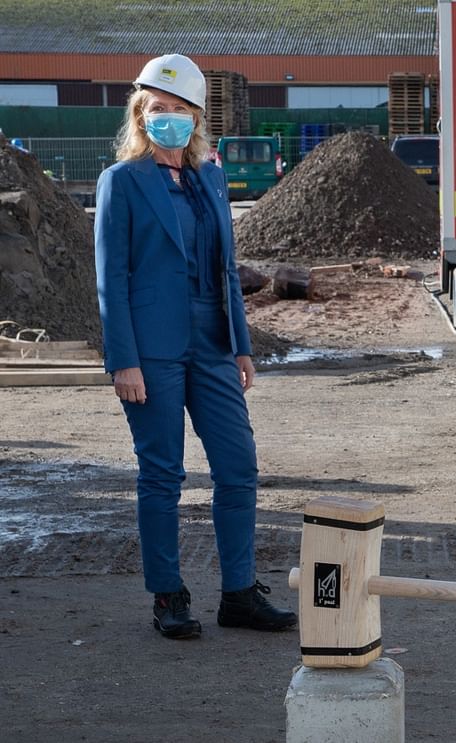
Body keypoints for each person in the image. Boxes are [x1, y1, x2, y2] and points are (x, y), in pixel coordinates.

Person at [94, 53, 296, 640]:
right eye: (158, 108)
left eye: (180, 110)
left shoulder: (210, 175)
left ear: (197, 117)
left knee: (238, 468)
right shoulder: (122, 183)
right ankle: (169, 596)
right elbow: (112, 278)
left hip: (213, 344)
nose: (169, 118)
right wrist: (123, 360)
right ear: (139, 113)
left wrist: (241, 345)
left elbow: (227, 268)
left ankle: (238, 594)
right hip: (151, 352)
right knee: (162, 473)